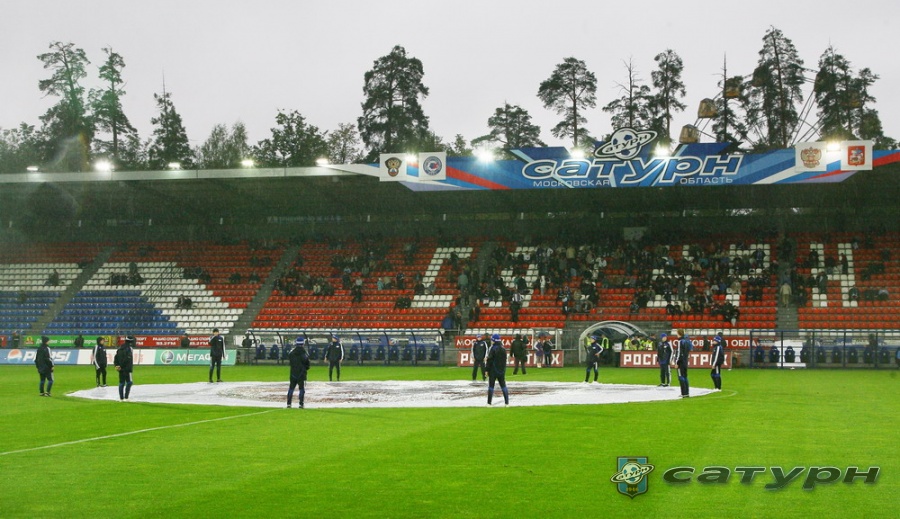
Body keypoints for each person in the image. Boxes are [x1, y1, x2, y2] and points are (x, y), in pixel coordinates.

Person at [287, 337, 311, 408]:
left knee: (291, 388)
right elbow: (307, 364)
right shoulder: (305, 353)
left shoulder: (292, 352)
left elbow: (290, 360)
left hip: (293, 373)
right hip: (301, 373)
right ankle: (301, 403)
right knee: (301, 389)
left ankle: (289, 403)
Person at [485, 333, 509, 406]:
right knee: (503, 386)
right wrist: (503, 370)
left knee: (491, 386)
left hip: (493, 370)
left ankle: (489, 403)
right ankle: (507, 403)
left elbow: (489, 360)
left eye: (492, 340)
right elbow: (505, 361)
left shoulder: (493, 348)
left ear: (494, 340)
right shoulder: (503, 349)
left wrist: (486, 370)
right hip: (501, 371)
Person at [114, 335, 135, 401]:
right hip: (127, 369)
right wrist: (122, 366)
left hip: (121, 369)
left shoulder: (120, 348)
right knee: (129, 382)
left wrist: (117, 365)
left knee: (121, 383)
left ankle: (121, 398)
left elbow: (116, 357)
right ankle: (126, 397)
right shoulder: (129, 349)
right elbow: (127, 359)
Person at [672, 331, 692, 398]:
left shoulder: (680, 342)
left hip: (680, 362)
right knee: (685, 376)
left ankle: (683, 393)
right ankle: (687, 392)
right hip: (685, 361)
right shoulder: (686, 341)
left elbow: (679, 353)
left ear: (679, 334)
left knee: (681, 377)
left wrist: (676, 362)